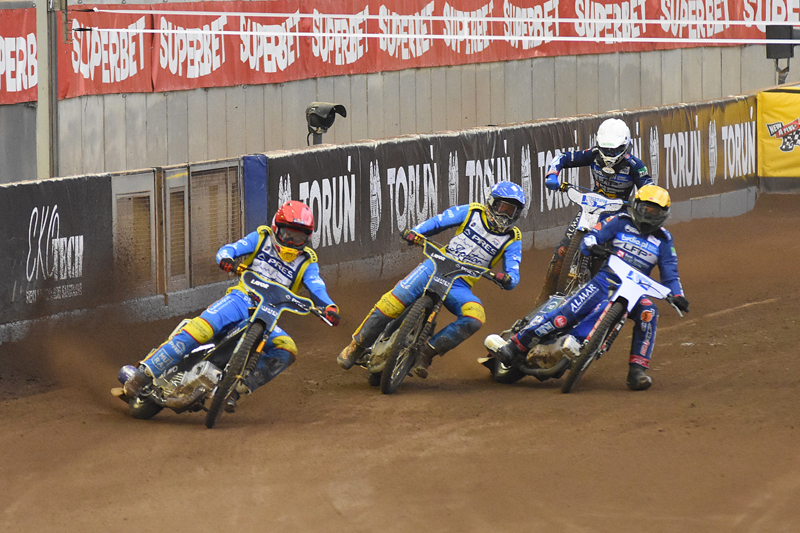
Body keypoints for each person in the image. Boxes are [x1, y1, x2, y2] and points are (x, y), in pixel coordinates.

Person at [121, 200, 340, 411]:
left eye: (298, 237)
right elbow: (231, 249)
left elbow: (317, 288)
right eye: (288, 234)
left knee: (287, 348)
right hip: (241, 299)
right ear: (277, 228)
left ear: (307, 238)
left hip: (269, 314)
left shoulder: (307, 262)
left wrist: (329, 307)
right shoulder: (261, 238)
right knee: (201, 329)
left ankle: (234, 389)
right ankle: (143, 374)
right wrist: (226, 258)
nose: (291, 242)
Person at [494, 185, 690, 390]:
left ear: (664, 215)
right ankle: (516, 345)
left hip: (636, 292)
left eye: (655, 212)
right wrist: (592, 245)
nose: (649, 216)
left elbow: (671, 274)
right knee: (563, 317)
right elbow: (593, 235)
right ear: (636, 206)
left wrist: (678, 295)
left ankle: (637, 370)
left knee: (649, 312)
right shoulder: (620, 221)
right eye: (645, 210)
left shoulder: (664, 240)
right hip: (605, 282)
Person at [337, 181, 526, 379]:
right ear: (492, 203)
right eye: (504, 208)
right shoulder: (472, 212)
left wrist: (507, 279)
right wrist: (416, 232)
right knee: (392, 303)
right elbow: (438, 221)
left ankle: (426, 353)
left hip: (460, 283)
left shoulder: (512, 237)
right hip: (435, 266)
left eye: (512, 211)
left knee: (475, 317)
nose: (507, 215)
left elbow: (514, 273)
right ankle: (356, 347)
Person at [534, 117, 654, 306]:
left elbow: (648, 187)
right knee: (562, 251)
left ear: (625, 146)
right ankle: (543, 296)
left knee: (615, 258)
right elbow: (562, 157)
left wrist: (645, 203)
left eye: (614, 150)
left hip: (618, 212)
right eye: (606, 150)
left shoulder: (634, 165)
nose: (609, 155)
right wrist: (552, 174)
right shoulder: (593, 154)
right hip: (591, 206)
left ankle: (616, 303)